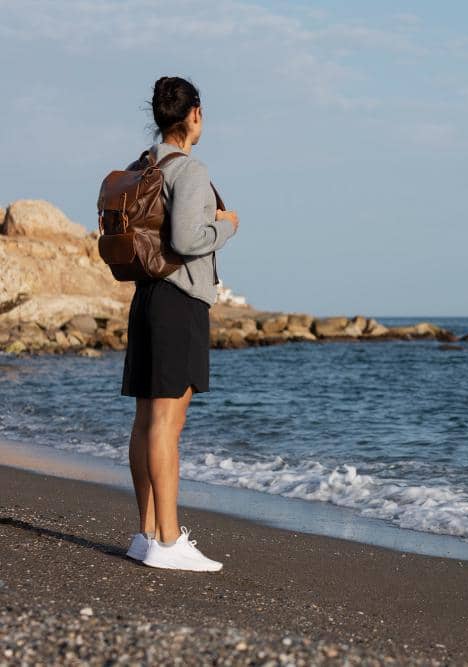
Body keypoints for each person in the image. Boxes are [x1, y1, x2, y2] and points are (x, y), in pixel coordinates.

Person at [119, 76, 240, 572]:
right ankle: (169, 542)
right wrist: (227, 225)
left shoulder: (140, 166)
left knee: (148, 419)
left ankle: (146, 533)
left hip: (147, 299)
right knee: (168, 424)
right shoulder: (188, 169)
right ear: (194, 114)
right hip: (179, 302)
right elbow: (190, 240)